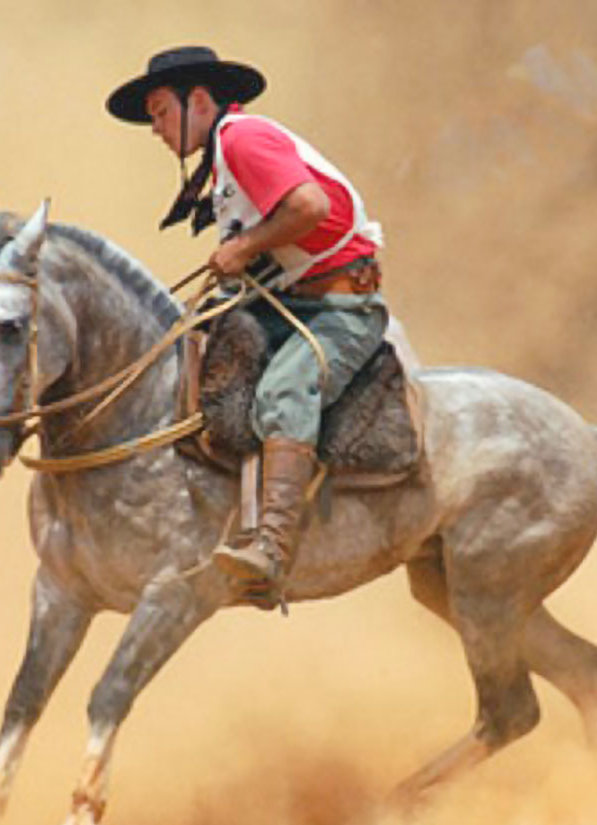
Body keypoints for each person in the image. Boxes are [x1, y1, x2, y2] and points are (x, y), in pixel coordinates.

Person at [107, 46, 388, 593]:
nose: (157, 128)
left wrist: (244, 249)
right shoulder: (224, 163)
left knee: (284, 390)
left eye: (162, 111)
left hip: (338, 307)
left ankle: (272, 547)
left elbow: (309, 207)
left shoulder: (242, 138)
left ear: (201, 101)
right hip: (292, 303)